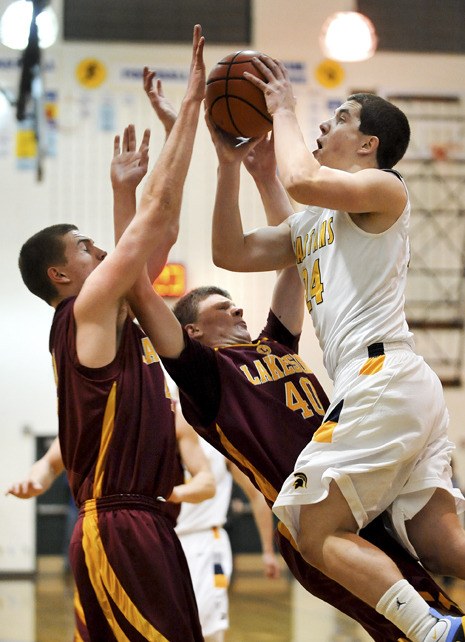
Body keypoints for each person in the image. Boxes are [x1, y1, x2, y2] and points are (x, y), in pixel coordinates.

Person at [116, 74, 464, 641]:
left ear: (369, 143)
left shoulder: (385, 188)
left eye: (341, 119)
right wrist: (232, 165)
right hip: (389, 389)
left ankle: (429, 631)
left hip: (382, 379)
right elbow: (231, 251)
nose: (325, 125)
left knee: (303, 522)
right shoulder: (313, 226)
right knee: (442, 544)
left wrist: (282, 108)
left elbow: (301, 178)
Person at [16, 24, 206, 642]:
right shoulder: (82, 313)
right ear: (60, 273)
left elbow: (153, 243)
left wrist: (126, 191)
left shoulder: (110, 311)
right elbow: (153, 226)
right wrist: (191, 114)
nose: (97, 247)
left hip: (145, 521)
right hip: (119, 524)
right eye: (82, 246)